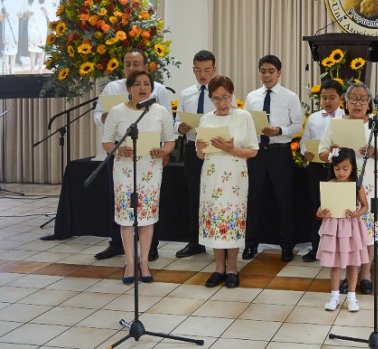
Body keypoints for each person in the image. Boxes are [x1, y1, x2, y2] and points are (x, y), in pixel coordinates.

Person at [93, 49, 173, 261]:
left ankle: (151, 247)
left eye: (136, 64)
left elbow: (167, 123)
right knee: (121, 202)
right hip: (122, 158)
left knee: (150, 203)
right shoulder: (112, 88)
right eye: (127, 64)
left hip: (149, 158)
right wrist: (105, 117)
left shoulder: (159, 90)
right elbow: (97, 114)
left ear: (145, 67)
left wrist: (165, 151)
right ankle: (117, 243)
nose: (131, 68)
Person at [319, 82, 378, 295]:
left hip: (369, 183)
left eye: (363, 99)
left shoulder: (375, 122)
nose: (358, 103)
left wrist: (373, 152)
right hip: (343, 185)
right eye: (353, 98)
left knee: (368, 231)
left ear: (369, 102)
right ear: (345, 101)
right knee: (346, 230)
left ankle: (365, 274)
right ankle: (346, 275)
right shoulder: (336, 123)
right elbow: (322, 153)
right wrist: (332, 153)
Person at [196, 75, 258, 289]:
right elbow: (200, 154)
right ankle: (218, 268)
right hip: (211, 175)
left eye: (225, 97)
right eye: (216, 99)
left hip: (234, 174)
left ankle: (232, 267)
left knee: (232, 217)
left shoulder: (244, 116)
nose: (222, 103)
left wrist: (231, 149)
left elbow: (253, 150)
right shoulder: (206, 119)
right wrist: (200, 148)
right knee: (214, 218)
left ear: (232, 94)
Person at [242, 54, 303, 262]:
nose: (266, 75)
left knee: (284, 199)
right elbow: (247, 123)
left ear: (279, 73)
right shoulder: (252, 97)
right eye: (263, 71)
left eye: (271, 71)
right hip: (258, 152)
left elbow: (296, 126)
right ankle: (250, 244)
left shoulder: (290, 97)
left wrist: (278, 130)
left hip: (280, 152)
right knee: (254, 200)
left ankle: (287, 246)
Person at [174, 50, 223, 259]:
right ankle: (195, 242)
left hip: (216, 151)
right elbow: (176, 122)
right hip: (193, 148)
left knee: (217, 196)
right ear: (193, 69)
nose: (202, 75)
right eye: (198, 70)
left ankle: (220, 240)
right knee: (194, 196)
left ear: (214, 69)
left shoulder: (223, 93)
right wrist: (181, 128)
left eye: (207, 70)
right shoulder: (186, 94)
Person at [317, 147, 370, 312]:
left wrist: (356, 213)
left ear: (353, 167)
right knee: (335, 263)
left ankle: (352, 298)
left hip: (351, 227)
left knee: (353, 264)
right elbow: (321, 209)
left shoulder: (356, 185)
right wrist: (321, 213)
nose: (341, 172)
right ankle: (334, 296)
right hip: (334, 227)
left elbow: (365, 206)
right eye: (337, 168)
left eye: (345, 169)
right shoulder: (330, 185)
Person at [300, 79, 345, 263]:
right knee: (317, 208)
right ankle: (316, 247)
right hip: (317, 168)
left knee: (339, 209)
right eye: (324, 98)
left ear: (341, 98)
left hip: (338, 170)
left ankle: (339, 249)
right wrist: (306, 152)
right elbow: (304, 140)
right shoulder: (314, 118)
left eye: (332, 97)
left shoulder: (346, 118)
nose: (327, 102)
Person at [1, 0, 25, 75]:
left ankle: (12, 67)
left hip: (15, 26)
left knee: (14, 46)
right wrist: (3, 14)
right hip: (6, 26)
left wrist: (21, 15)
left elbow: (22, 12)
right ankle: (6, 67)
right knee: (7, 46)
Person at [26, 0, 49, 73]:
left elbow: (48, 14)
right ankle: (32, 66)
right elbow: (25, 14)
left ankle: (40, 66)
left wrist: (44, 10)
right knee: (32, 46)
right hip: (32, 25)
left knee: (41, 45)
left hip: (41, 25)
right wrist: (29, 14)